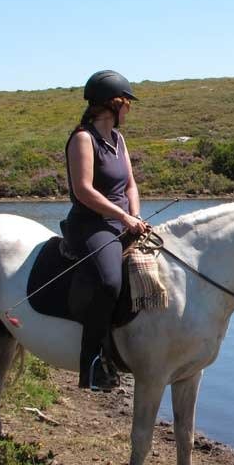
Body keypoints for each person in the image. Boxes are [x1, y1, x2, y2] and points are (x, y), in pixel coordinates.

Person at [62, 69, 149, 391]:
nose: (130, 109)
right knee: (110, 282)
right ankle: (93, 362)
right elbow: (84, 190)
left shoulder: (118, 139)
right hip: (91, 223)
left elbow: (130, 184)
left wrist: (135, 215)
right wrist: (123, 218)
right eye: (127, 103)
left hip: (124, 220)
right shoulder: (83, 138)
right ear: (113, 104)